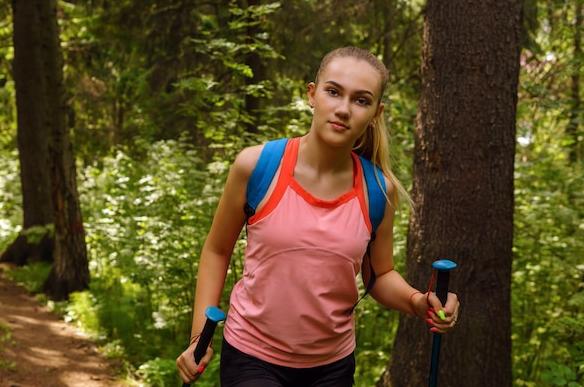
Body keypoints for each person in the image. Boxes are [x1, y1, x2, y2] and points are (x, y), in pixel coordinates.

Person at [176, 46, 460, 386]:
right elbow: (217, 250)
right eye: (333, 91)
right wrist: (198, 338)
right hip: (252, 357)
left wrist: (418, 302)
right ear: (312, 95)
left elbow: (379, 275)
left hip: (332, 368)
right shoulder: (257, 166)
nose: (343, 109)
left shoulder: (377, 190)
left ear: (376, 113)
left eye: (361, 100)